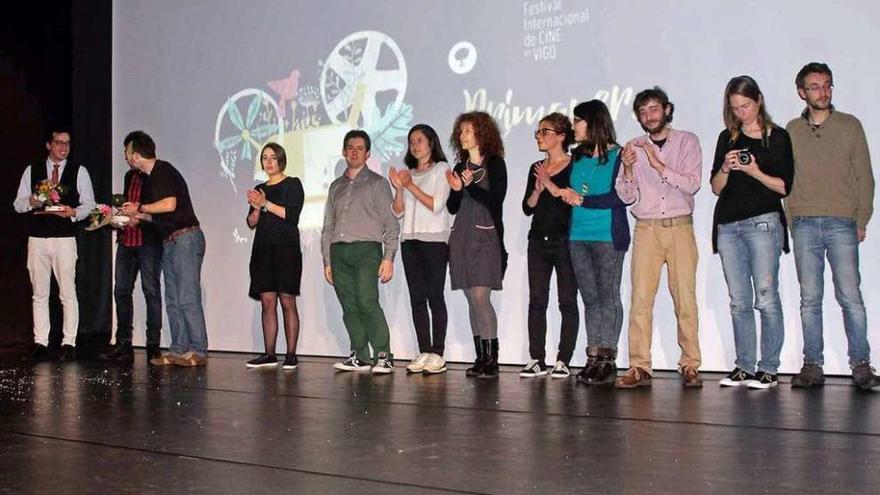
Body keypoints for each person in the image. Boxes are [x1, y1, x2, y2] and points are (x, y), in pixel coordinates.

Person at [785, 62, 880, 390]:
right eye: (815, 86)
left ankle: (862, 365)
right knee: (810, 298)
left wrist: (861, 219)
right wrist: (791, 220)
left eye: (827, 85)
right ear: (802, 92)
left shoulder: (850, 126)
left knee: (850, 296)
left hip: (842, 222)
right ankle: (812, 364)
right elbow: (788, 180)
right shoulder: (792, 131)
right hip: (805, 223)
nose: (822, 92)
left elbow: (865, 177)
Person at [613, 88, 703, 389]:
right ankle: (639, 366)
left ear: (666, 109)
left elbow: (692, 184)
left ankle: (690, 363)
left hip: (679, 227)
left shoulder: (687, 141)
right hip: (647, 228)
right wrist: (627, 168)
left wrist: (659, 166)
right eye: (642, 112)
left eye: (653, 109)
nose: (648, 116)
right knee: (640, 299)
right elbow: (625, 196)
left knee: (685, 298)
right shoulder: (632, 148)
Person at [710, 76, 794, 389]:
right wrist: (727, 168)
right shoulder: (726, 138)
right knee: (738, 300)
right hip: (729, 225)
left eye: (745, 105)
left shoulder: (777, 137)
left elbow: (784, 186)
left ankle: (769, 368)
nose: (741, 112)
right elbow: (716, 188)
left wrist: (754, 170)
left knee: (767, 297)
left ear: (758, 100)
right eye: (735, 107)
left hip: (764, 222)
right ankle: (743, 366)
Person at [547, 100, 630, 386]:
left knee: (608, 296)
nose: (573, 126)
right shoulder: (577, 157)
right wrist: (561, 192)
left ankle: (608, 358)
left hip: (607, 235)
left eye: (578, 120)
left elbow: (621, 196)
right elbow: (571, 192)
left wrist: (582, 199)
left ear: (594, 122)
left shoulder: (620, 155)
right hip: (578, 235)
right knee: (590, 298)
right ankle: (593, 356)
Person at [120, 130, 208, 367]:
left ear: (136, 154)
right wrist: (135, 215)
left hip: (186, 238)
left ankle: (198, 350)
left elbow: (170, 204)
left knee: (187, 296)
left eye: (127, 153)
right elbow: (154, 215)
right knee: (172, 298)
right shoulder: (149, 179)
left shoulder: (163, 170)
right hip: (169, 241)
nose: (126, 159)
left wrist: (140, 206)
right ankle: (178, 349)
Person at [13, 127, 96, 361]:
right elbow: (18, 205)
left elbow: (89, 204)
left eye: (67, 143)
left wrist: (73, 212)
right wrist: (32, 200)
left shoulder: (79, 171)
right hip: (37, 239)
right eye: (58, 143)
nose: (63, 147)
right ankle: (40, 341)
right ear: (48, 145)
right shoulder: (33, 170)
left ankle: (69, 342)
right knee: (39, 293)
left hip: (65, 239)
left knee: (67, 292)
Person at [322, 130, 400, 374]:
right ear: (344, 152)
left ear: (367, 153)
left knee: (367, 301)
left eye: (359, 148)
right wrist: (327, 260)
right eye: (350, 147)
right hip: (338, 252)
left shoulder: (377, 183)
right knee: (349, 306)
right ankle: (360, 355)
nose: (354, 152)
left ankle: (384, 355)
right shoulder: (336, 186)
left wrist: (388, 257)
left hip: (367, 250)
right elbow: (327, 226)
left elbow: (391, 223)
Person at [446, 111, 508, 379]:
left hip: (486, 236)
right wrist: (458, 189)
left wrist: (470, 187)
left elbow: (496, 201)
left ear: (482, 132)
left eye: (468, 130)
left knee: (481, 296)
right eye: (461, 131)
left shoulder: (495, 163)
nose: (463, 135)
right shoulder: (460, 167)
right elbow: (451, 206)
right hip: (462, 235)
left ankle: (493, 360)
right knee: (471, 298)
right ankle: (480, 356)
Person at [519, 113, 579, 378]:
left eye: (545, 131)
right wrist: (538, 189)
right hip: (538, 240)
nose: (539, 137)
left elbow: (576, 200)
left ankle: (563, 359)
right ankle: (537, 358)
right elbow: (527, 207)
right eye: (538, 132)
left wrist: (550, 183)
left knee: (566, 300)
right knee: (537, 301)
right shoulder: (536, 166)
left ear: (561, 135)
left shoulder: (575, 164)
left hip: (565, 240)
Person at [389, 125, 452, 374]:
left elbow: (436, 204)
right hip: (410, 240)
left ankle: (438, 352)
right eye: (411, 141)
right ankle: (424, 350)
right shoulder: (409, 174)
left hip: (434, 241)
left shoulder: (441, 169)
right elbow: (398, 211)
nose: (415, 145)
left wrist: (410, 185)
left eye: (420, 140)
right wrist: (400, 187)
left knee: (435, 296)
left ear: (431, 142)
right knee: (417, 299)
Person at [244, 143, 304, 370]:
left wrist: (265, 203)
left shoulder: (293, 184)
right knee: (267, 302)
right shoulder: (260, 188)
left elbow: (291, 216)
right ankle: (269, 354)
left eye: (273, 157)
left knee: (287, 300)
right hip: (263, 250)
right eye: (265, 157)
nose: (268, 162)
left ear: (281, 159)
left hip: (286, 250)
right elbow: (251, 222)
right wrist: (257, 207)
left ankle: (291, 355)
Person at [101, 157, 162, 364]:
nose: (126, 158)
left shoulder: (154, 176)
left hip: (148, 242)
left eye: (128, 153)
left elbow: (158, 212)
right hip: (126, 241)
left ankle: (153, 346)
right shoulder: (129, 176)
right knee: (121, 291)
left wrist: (141, 217)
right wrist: (117, 217)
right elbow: (128, 207)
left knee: (151, 291)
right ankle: (123, 343)